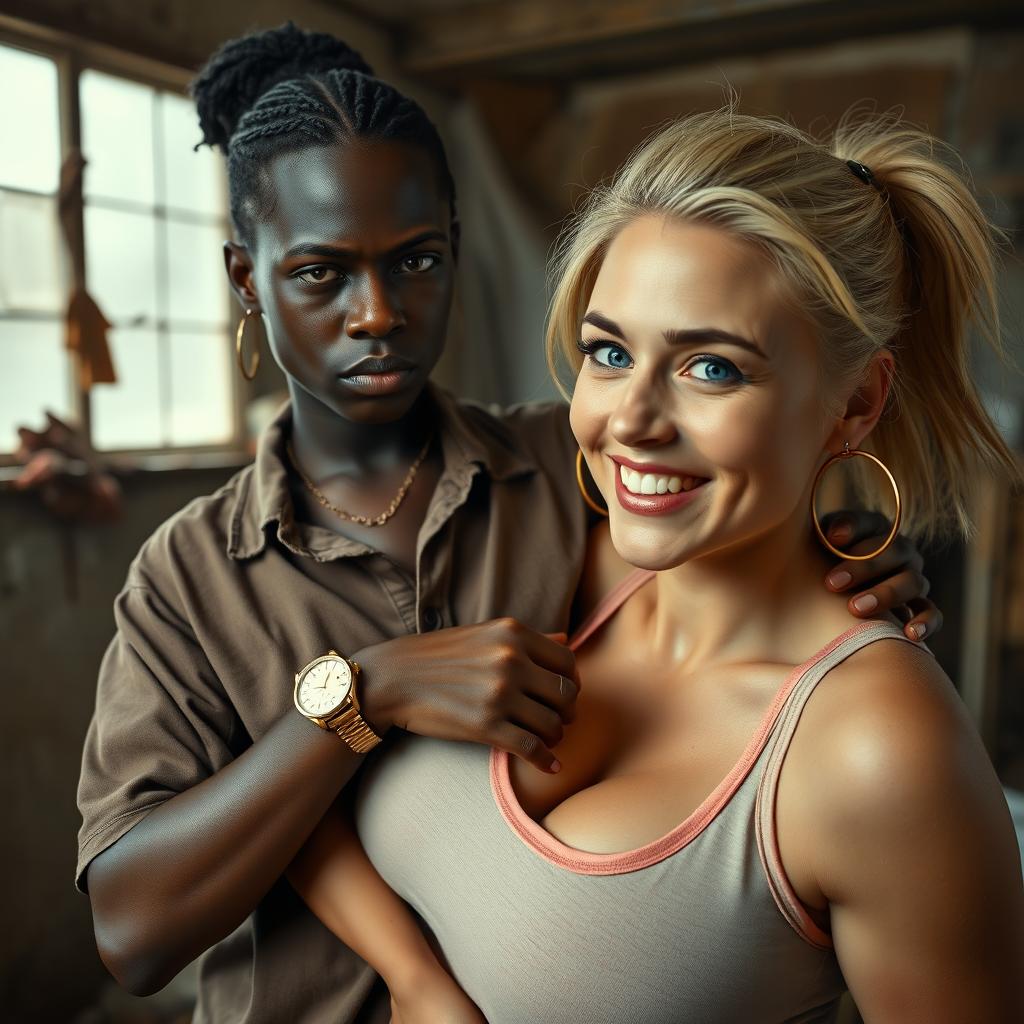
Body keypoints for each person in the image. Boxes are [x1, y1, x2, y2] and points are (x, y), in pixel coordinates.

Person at [75, 24, 939, 1022]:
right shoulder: (191, 575)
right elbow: (132, 935)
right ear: (245, 279)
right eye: (320, 274)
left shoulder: (565, 467)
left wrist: (853, 550)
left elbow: (736, 522)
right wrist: (363, 693)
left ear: (454, 245)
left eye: (416, 260)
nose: (376, 314)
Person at [291, 107, 1024, 1022]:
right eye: (609, 352)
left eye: (712, 369)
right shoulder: (547, 547)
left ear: (856, 403)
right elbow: (304, 795)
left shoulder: (879, 754)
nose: (629, 419)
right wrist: (419, 982)